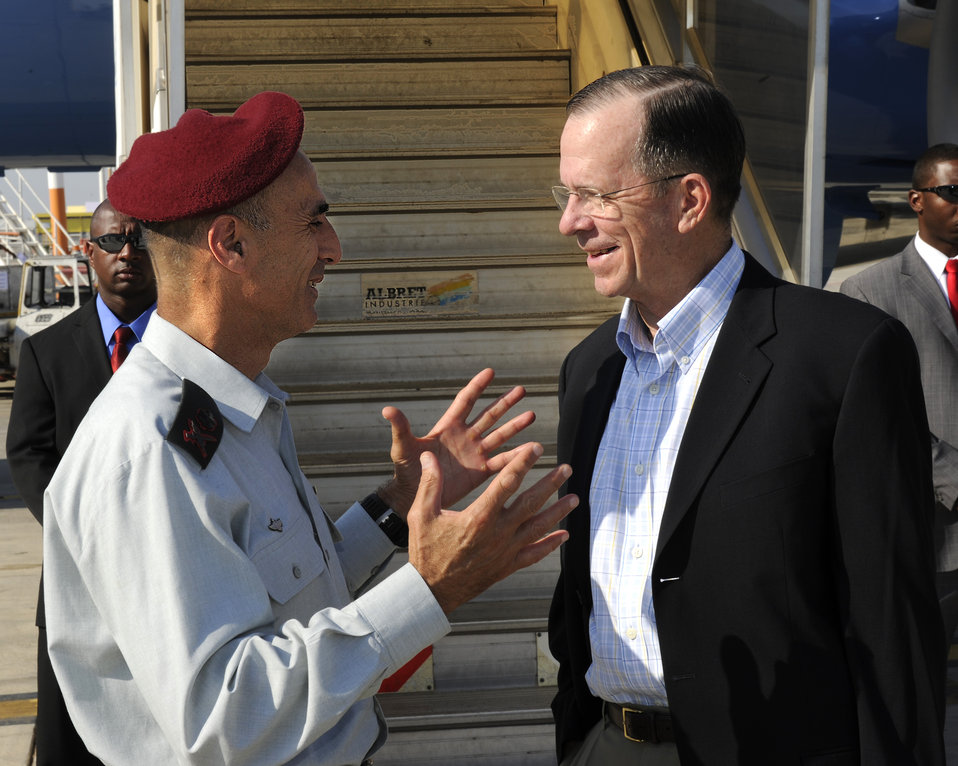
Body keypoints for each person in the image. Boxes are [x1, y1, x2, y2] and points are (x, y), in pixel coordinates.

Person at [40, 91, 576, 766]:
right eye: (313, 222)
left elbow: (285, 593)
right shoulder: (148, 450)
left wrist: (398, 502)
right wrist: (431, 589)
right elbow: (224, 717)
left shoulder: (230, 408)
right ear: (230, 244)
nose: (335, 249)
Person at [546, 65, 945, 765]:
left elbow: (891, 631)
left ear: (690, 200)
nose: (570, 221)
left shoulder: (844, 355)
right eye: (567, 193)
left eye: (595, 195)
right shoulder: (590, 371)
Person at [7, 199, 156, 766]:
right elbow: (26, 453)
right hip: (79, 581)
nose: (127, 254)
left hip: (172, 580)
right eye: (113, 242)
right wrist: (85, 528)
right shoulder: (45, 352)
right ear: (87, 252)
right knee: (68, 739)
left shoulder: (194, 347)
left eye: (139, 240)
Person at [840, 143, 958, 649]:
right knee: (923, 689)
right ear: (916, 200)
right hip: (935, 529)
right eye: (952, 192)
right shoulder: (869, 292)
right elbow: (878, 415)